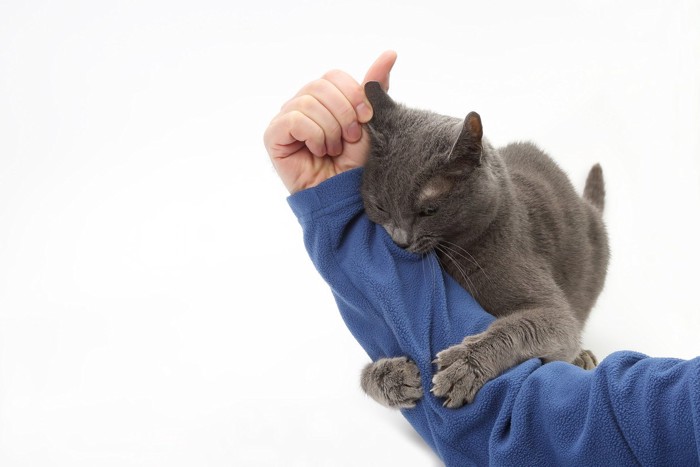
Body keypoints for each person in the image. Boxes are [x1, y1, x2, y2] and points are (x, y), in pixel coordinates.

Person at [263, 51, 700, 466]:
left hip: (550, 250)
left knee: (592, 235)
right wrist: (377, 372)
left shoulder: (493, 243)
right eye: (382, 210)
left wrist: (484, 354)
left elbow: (557, 323)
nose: (398, 234)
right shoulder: (412, 222)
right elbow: (409, 321)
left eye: (426, 212)